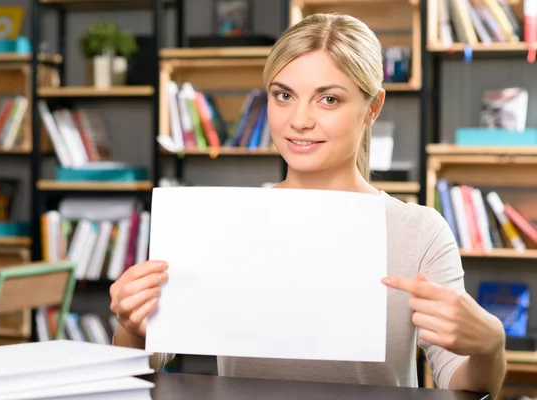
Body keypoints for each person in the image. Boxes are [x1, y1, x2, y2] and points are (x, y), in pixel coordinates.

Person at [110, 12, 507, 396]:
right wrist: (132, 324)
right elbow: (147, 365)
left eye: (328, 100)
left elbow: (463, 382)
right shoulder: (227, 220)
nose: (299, 120)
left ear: (372, 108)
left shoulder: (419, 230)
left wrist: (490, 347)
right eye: (283, 95)